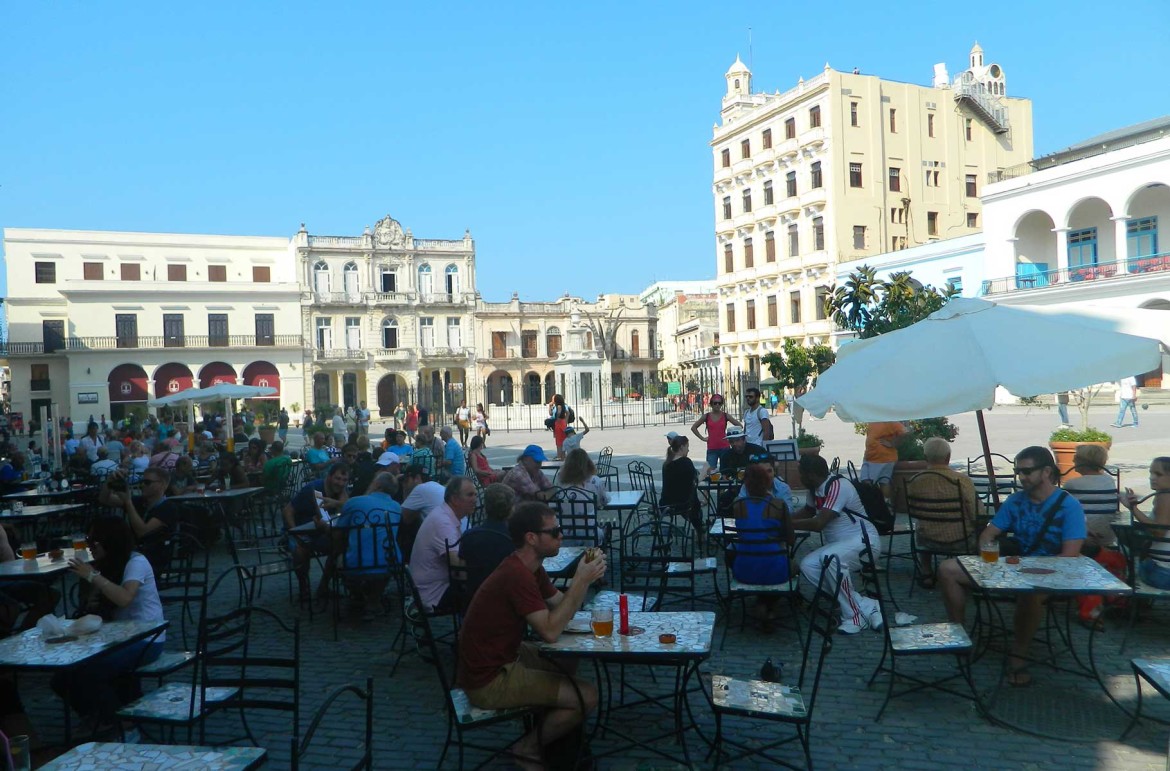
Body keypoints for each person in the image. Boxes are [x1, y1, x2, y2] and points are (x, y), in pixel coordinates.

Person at [456, 502, 606, 768]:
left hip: (501, 657)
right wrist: (580, 581)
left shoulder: (530, 568)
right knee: (587, 695)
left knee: (568, 661)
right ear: (531, 538)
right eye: (555, 531)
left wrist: (583, 582)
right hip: (488, 679)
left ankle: (560, 738)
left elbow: (562, 605)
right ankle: (529, 748)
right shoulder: (516, 575)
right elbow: (549, 631)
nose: (561, 535)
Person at [937, 446, 1085, 685]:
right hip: (1013, 568)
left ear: (1047, 471)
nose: (1021, 477)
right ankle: (958, 634)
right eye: (1018, 472)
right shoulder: (1016, 501)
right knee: (948, 569)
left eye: (1026, 471)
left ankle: (1019, 657)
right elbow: (988, 534)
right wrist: (988, 552)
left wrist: (1027, 570)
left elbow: (1069, 558)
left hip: (1053, 573)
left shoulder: (1069, 506)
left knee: (1030, 592)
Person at [54, 517, 165, 724]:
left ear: (110, 541)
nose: (90, 546)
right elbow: (91, 610)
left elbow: (124, 598)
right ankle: (96, 717)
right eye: (88, 540)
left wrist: (93, 576)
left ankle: (119, 725)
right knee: (62, 676)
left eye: (94, 541)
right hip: (115, 636)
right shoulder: (105, 565)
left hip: (147, 637)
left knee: (90, 673)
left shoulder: (136, 561)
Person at [790, 453, 883, 635]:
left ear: (810, 474)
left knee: (831, 559)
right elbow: (808, 511)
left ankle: (855, 616)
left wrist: (786, 524)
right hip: (842, 544)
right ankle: (866, 605)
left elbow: (818, 523)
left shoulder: (838, 486)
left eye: (801, 474)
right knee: (808, 565)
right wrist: (784, 517)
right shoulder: (815, 489)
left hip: (865, 541)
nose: (799, 478)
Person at [905, 437, 980, 588]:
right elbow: (975, 513)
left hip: (927, 539)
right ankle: (970, 572)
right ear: (948, 457)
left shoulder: (914, 481)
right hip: (961, 540)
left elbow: (909, 509)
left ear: (925, 458)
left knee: (923, 525)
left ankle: (926, 572)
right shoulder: (962, 480)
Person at [729, 463, 795, 626]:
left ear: (746, 484)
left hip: (744, 569)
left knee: (731, 554)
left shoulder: (738, 504)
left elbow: (741, 533)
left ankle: (761, 602)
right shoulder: (778, 504)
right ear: (767, 482)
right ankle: (768, 605)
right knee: (794, 566)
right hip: (775, 570)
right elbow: (791, 540)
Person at [335, 472, 402, 621]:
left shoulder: (355, 502)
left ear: (377, 485)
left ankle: (360, 596)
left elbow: (338, 533)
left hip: (356, 564)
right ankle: (373, 599)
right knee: (379, 555)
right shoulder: (397, 507)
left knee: (339, 558)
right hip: (390, 562)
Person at [284, 462, 350, 601]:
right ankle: (304, 588)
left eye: (344, 480)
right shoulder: (316, 490)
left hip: (319, 531)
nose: (341, 483)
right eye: (338, 479)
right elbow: (288, 511)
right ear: (329, 477)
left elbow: (346, 510)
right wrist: (295, 532)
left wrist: (342, 495)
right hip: (298, 529)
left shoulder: (340, 490)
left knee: (339, 545)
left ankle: (323, 587)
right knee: (301, 551)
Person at [410, 477, 476, 612]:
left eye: (475, 494)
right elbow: (457, 566)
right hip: (434, 594)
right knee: (488, 593)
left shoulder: (444, 514)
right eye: (470, 495)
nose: (475, 499)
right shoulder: (443, 522)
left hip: (432, 587)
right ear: (454, 499)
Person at [459, 483, 517, 599]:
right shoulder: (514, 538)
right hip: (505, 600)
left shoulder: (468, 536)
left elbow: (462, 574)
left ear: (485, 507)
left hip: (473, 599)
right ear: (511, 509)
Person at [1123, 457, 1170, 590]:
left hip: (1162, 573)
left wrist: (1133, 509)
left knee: (1124, 556)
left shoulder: (1165, 497)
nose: (1152, 477)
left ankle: (1129, 604)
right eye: (1151, 473)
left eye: (1158, 474)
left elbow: (1159, 531)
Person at [1062, 444, 1120, 548]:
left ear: (1083, 462)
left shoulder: (1072, 484)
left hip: (1081, 536)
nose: (1073, 461)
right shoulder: (1109, 480)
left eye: (1076, 458)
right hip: (1107, 536)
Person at [557, 448, 610, 543]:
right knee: (601, 528)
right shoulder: (595, 481)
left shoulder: (561, 482)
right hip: (589, 533)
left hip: (566, 533)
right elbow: (603, 501)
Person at [398, 465, 447, 558]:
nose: (405, 484)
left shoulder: (420, 489)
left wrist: (405, 490)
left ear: (416, 478)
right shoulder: (436, 486)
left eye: (406, 481)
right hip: (452, 539)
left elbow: (404, 518)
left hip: (442, 545)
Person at [660, 433, 701, 527]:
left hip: (665, 503)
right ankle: (699, 529)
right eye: (687, 447)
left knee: (692, 495)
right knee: (693, 498)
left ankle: (699, 528)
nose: (688, 450)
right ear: (682, 447)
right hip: (681, 503)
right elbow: (695, 481)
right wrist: (704, 472)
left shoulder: (667, 463)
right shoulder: (685, 462)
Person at [862, 421, 907, 496]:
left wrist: (892, 444)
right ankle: (878, 503)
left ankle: (882, 504)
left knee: (880, 482)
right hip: (870, 458)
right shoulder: (873, 419)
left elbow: (904, 432)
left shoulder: (889, 420)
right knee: (866, 481)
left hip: (881, 459)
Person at [549, 394, 570, 460]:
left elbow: (558, 413)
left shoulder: (558, 406)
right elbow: (568, 413)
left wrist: (557, 418)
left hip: (559, 424)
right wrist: (565, 421)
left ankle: (559, 456)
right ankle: (562, 456)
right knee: (563, 440)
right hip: (563, 423)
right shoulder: (563, 406)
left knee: (559, 441)